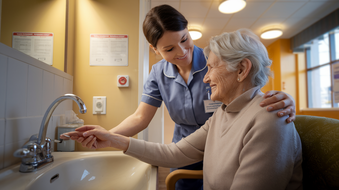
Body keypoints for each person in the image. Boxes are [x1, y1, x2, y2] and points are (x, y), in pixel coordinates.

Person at [67, 5, 297, 190]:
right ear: (155, 50)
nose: (182, 52)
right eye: (169, 49)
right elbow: (142, 120)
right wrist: (109, 137)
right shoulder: (214, 112)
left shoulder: (215, 57)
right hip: (191, 144)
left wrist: (281, 99)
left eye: (185, 40)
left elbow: (252, 93)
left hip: (225, 146)